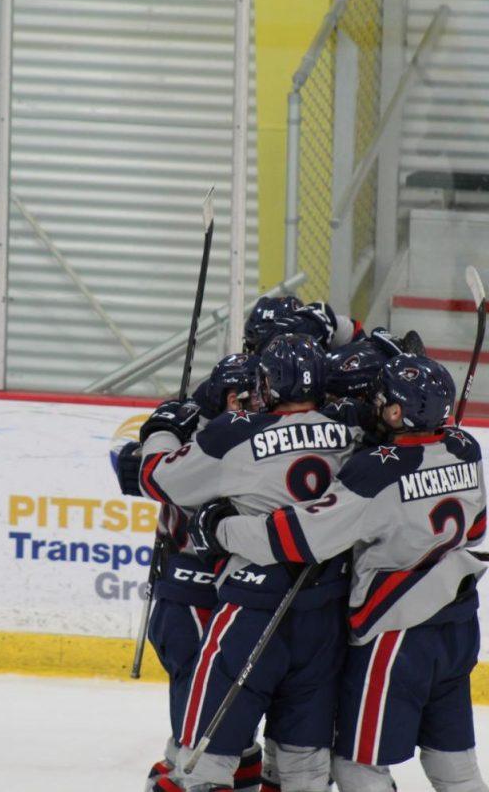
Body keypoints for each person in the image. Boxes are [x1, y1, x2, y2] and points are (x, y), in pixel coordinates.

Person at [192, 354, 489, 792]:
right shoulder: (467, 447)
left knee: (357, 767)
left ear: (395, 412)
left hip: (396, 631)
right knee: (456, 767)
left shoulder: (373, 470)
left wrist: (221, 529)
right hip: (459, 625)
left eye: (381, 399)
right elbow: (477, 529)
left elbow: (300, 539)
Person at [138, 334, 361, 792]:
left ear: (269, 384)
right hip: (324, 614)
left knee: (203, 762)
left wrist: (162, 427)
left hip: (251, 608)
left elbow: (158, 479)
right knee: (303, 770)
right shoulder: (353, 435)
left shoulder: (235, 432)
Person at [116, 353, 268, 792]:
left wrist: (162, 430)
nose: (259, 403)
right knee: (198, 697)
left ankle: (215, 762)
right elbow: (133, 471)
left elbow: (142, 472)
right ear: (225, 396)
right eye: (248, 396)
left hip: (224, 591)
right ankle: (191, 764)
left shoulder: (226, 436)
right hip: (188, 592)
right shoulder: (212, 438)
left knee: (224, 698)